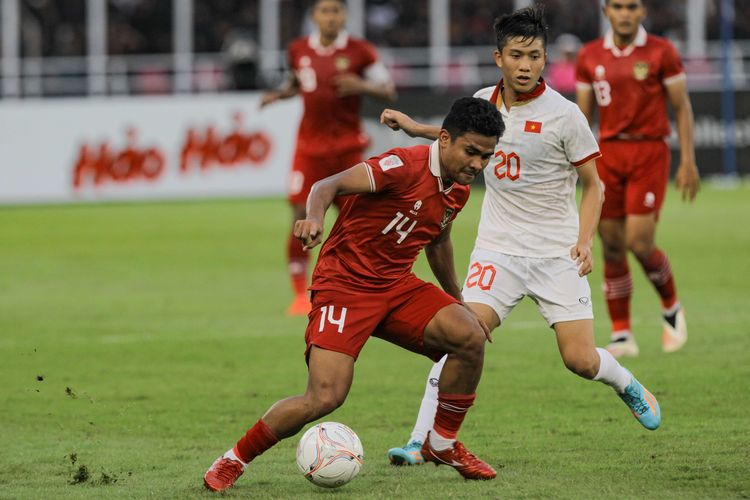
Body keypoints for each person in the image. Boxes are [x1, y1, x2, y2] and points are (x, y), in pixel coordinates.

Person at [382, 7, 661, 467]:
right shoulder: (482, 102)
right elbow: (460, 139)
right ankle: (420, 441)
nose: (526, 65)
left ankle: (625, 382)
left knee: (580, 360)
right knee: (461, 336)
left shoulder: (565, 116)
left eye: (534, 56)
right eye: (517, 55)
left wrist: (585, 240)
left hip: (556, 253)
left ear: (545, 59)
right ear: (499, 57)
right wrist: (417, 129)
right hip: (499, 249)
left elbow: (595, 185)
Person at [203, 97, 505, 492]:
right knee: (325, 396)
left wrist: (458, 300)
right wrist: (313, 217)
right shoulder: (402, 166)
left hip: (396, 285)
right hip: (344, 286)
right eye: (471, 152)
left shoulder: (458, 190)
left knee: (469, 335)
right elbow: (326, 185)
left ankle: (442, 442)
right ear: (445, 139)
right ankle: (234, 458)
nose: (478, 165)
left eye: (486, 156)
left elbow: (438, 243)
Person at [575, 0, 700, 358]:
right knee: (611, 244)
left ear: (643, 11)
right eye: (617, 6)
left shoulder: (662, 52)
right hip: (607, 154)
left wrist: (688, 160)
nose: (625, 13)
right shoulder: (589, 56)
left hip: (649, 152)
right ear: (606, 12)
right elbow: (581, 118)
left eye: (632, 6)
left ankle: (671, 305)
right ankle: (621, 334)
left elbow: (682, 106)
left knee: (639, 241)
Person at [259, 0, 396, 316]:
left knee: (354, 219)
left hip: (347, 149)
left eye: (336, 11)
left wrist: (360, 84)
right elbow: (297, 84)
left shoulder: (360, 51)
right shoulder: (297, 50)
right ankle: (298, 294)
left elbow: (388, 90)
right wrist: (278, 95)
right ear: (314, 17)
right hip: (309, 149)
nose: (330, 17)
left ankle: (357, 287)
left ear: (344, 16)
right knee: (299, 213)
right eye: (325, 11)